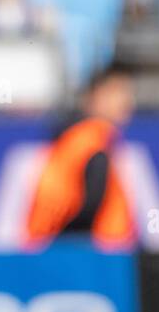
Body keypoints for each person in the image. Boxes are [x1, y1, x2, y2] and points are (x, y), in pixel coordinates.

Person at [25, 66, 137, 250]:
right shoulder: (91, 141)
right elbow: (90, 204)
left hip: (63, 252)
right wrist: (63, 250)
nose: (126, 101)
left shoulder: (78, 139)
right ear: (92, 98)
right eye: (115, 92)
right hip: (96, 257)